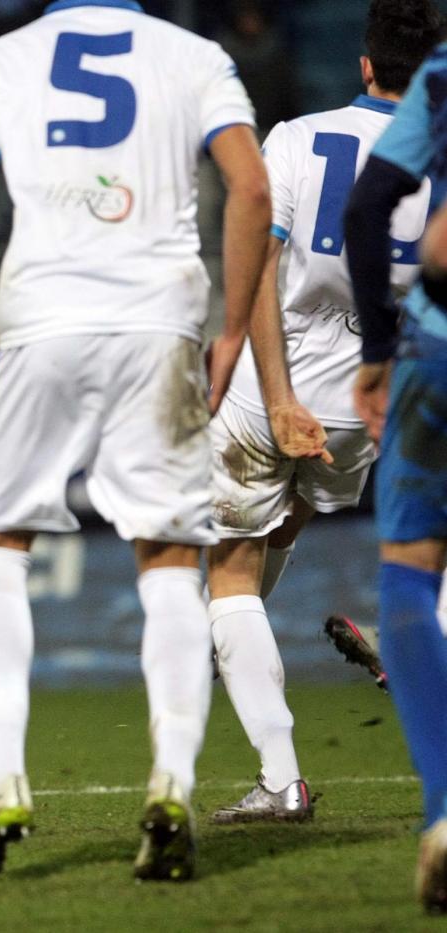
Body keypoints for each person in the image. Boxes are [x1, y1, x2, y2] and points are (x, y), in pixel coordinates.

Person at [0, 0, 271, 882]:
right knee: (168, 561)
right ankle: (173, 782)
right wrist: (231, 328)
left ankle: (2, 778)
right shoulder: (195, 56)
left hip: (39, 323)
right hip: (160, 327)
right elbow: (252, 189)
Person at [204, 0, 441, 826]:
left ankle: (281, 779)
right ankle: (240, 636)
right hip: (364, 401)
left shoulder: (299, 138)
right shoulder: (437, 157)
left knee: (227, 573)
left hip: (272, 385)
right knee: (285, 527)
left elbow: (259, 268)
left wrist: (275, 396)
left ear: (365, 65)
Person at [344, 31, 447, 914]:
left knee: (410, 571)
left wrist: (378, 347)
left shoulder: (442, 75)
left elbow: (368, 206)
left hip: (437, 352)